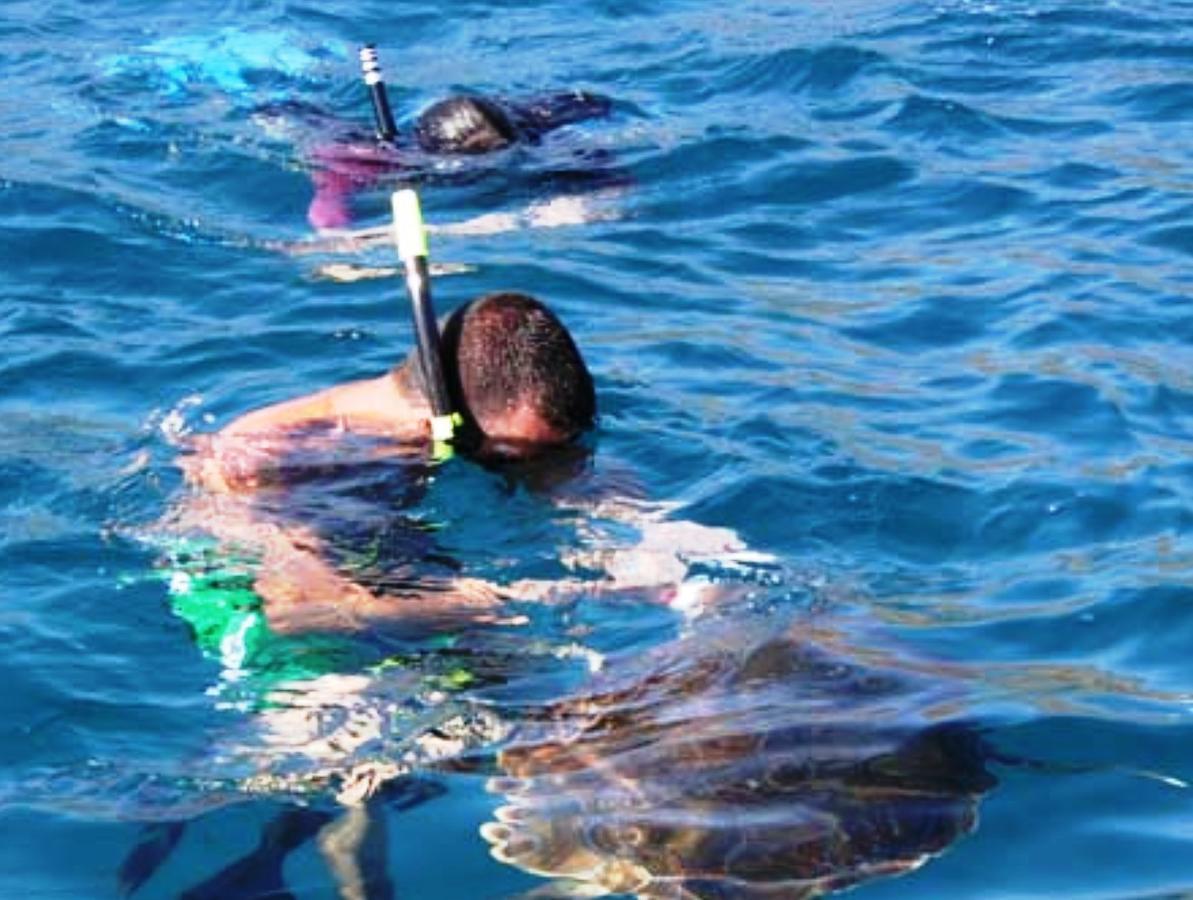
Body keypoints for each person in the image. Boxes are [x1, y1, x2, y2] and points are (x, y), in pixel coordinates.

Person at [290, 91, 621, 231]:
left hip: (533, 116)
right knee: (289, 111)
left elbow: (611, 202)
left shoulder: (543, 144)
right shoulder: (369, 159)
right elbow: (330, 230)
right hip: (319, 121)